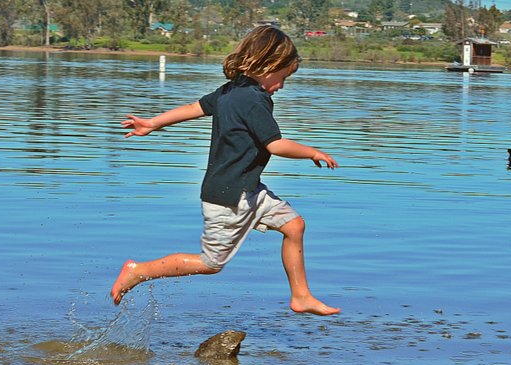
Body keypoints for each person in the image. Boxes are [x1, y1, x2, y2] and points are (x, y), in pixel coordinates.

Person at [111, 26, 340, 316]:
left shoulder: (232, 90)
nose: (281, 86)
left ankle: (301, 296)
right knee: (210, 263)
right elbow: (276, 145)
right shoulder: (254, 100)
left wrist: (154, 123)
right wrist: (313, 152)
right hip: (229, 196)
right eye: (282, 78)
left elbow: (195, 107)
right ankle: (137, 271)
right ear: (268, 65)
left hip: (247, 188)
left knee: (294, 226)